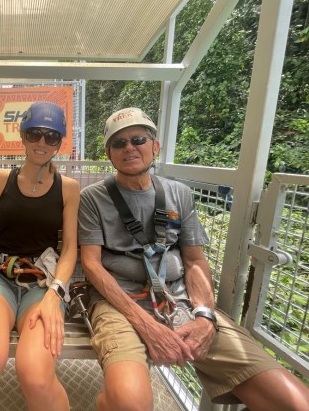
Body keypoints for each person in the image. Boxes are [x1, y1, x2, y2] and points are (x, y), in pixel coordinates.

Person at [78, 107, 309, 411]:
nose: (129, 148)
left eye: (138, 139)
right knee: (129, 404)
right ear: (109, 153)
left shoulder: (179, 194)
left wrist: (204, 316)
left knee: (293, 401)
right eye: (119, 143)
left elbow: (195, 261)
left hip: (180, 298)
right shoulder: (93, 198)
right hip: (121, 302)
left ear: (155, 146)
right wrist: (146, 325)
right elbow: (92, 265)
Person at [0, 102, 81, 411]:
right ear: (23, 136)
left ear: (59, 143)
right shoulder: (1, 180)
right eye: (34, 134)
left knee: (36, 376)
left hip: (41, 285)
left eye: (51, 136)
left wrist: (54, 293)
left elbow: (70, 249)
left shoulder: (68, 189)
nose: (42, 142)